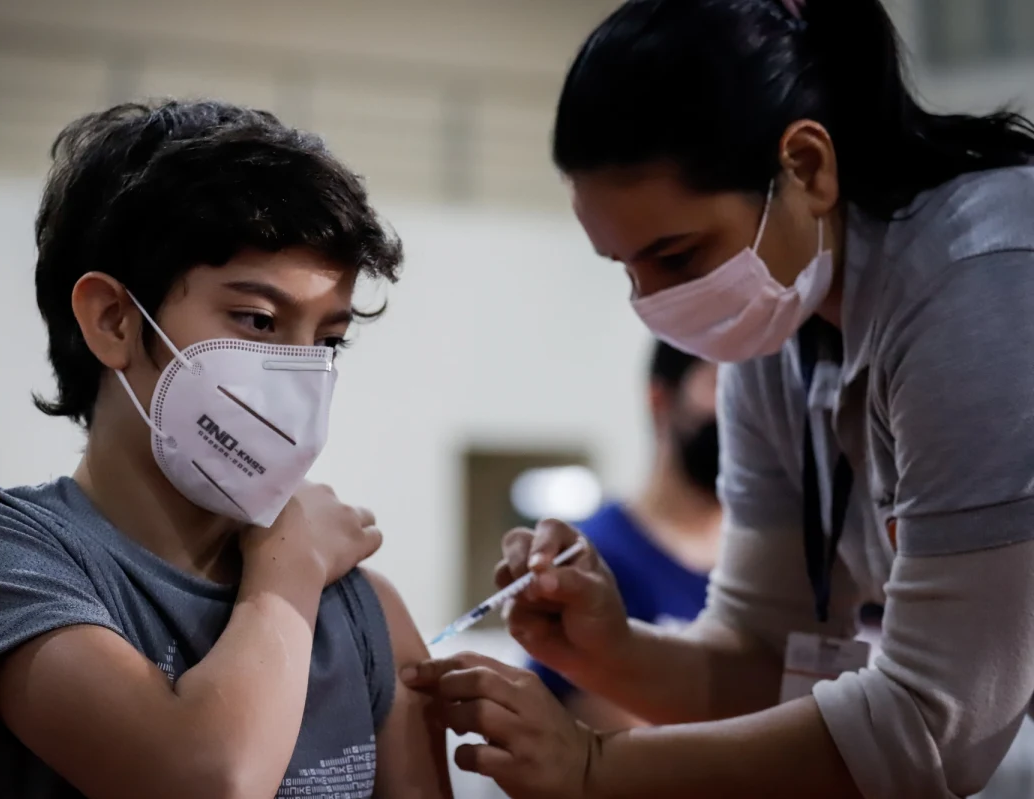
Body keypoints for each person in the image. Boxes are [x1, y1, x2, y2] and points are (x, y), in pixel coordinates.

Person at [403, 0, 1034, 797]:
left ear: (807, 166)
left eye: (676, 255)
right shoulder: (779, 330)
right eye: (624, 268)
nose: (654, 303)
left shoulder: (986, 279)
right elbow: (769, 658)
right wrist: (607, 650)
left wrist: (594, 767)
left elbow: (937, 726)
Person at [0, 100, 451, 799]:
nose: (302, 372)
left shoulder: (366, 613)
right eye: (258, 320)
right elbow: (204, 781)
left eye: (328, 339)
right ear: (113, 320)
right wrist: (287, 567)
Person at [529, 340, 721, 731]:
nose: (748, 411)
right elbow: (626, 744)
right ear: (660, 398)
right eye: (723, 385)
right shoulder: (596, 557)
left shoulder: (788, 563)